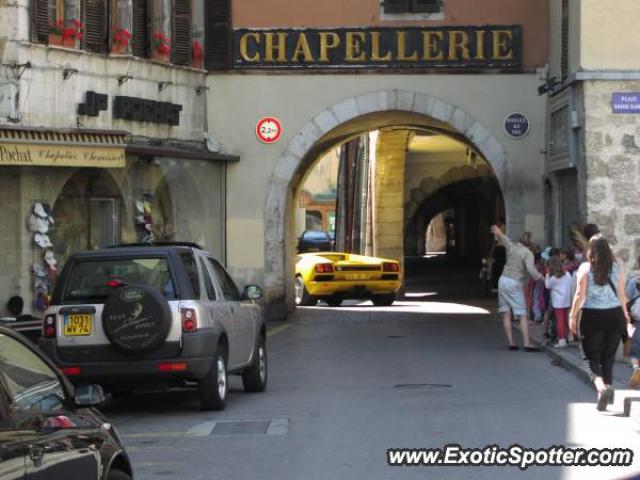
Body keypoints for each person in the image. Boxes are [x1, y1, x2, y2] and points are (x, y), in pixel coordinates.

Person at [569, 234, 630, 411]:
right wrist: (625, 314)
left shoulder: (586, 268)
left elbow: (580, 295)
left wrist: (572, 315)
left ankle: (601, 387)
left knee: (589, 357)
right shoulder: (617, 268)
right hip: (615, 315)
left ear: (591, 250)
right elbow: (621, 294)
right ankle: (607, 389)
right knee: (608, 357)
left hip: (592, 316)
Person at [490, 225, 545, 351]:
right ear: (530, 243)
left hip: (503, 280)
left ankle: (511, 343)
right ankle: (527, 344)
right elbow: (531, 269)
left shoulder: (513, 247)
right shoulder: (528, 253)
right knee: (522, 314)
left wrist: (498, 232)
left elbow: (505, 240)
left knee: (506, 313)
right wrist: (543, 278)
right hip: (515, 282)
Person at [545, 256, 573, 348]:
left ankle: (562, 340)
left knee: (559, 321)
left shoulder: (553, 278)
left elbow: (547, 286)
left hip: (558, 302)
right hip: (567, 300)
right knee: (566, 320)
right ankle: (568, 337)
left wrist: (547, 274)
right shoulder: (567, 274)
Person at [624, 257, 640, 388]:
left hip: (638, 320)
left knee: (635, 348)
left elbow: (627, 297)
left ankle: (636, 369)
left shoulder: (635, 281)